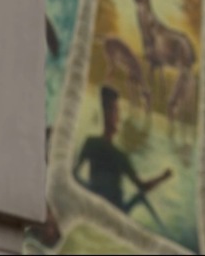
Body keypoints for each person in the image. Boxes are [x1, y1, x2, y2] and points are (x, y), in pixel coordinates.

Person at [73, 86, 172, 214]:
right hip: (117, 210)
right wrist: (163, 177)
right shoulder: (119, 156)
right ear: (106, 114)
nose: (118, 116)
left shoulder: (90, 143)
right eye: (116, 110)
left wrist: (90, 191)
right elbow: (142, 186)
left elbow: (74, 174)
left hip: (98, 204)